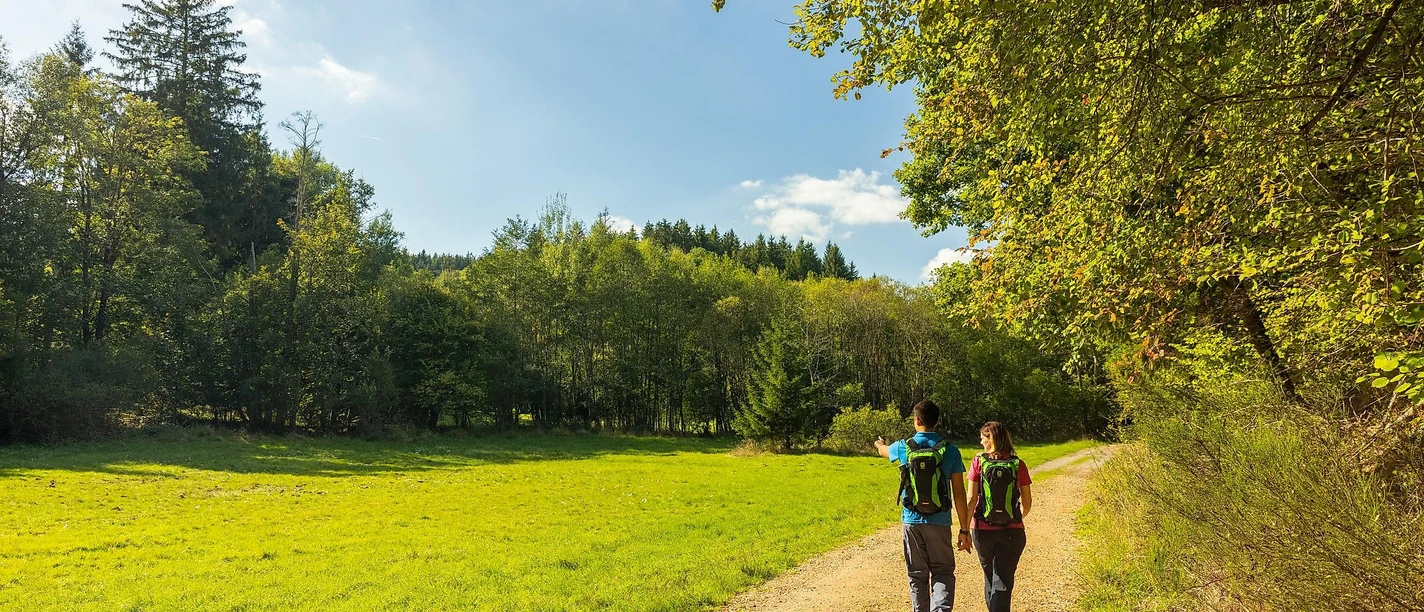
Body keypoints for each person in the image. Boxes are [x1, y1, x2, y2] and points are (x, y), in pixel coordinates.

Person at [875, 400, 972, 612]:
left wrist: (879, 444)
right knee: (943, 572)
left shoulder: (903, 447)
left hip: (911, 520)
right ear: (938, 422)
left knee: (917, 575)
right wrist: (964, 530)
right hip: (940, 521)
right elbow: (959, 493)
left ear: (917, 420)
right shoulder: (951, 451)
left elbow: (883, 451)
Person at [966, 421, 1032, 612]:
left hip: (982, 530)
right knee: (1003, 580)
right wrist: (1015, 518)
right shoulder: (1018, 464)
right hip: (1012, 531)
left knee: (990, 578)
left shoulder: (978, 462)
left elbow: (971, 498)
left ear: (990, 438)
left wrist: (964, 528)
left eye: (982, 438)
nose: (980, 442)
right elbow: (1027, 502)